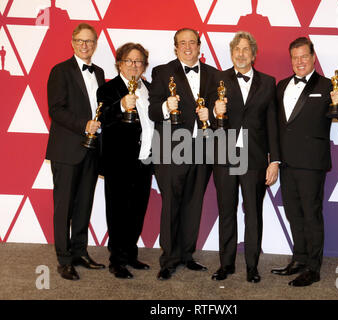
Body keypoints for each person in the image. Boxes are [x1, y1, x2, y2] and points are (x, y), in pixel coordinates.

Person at [271, 37, 338, 286]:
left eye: (304, 56)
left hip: (311, 163)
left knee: (311, 215)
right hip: (286, 162)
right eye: (295, 57)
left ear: (313, 57)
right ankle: (299, 259)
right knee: (294, 214)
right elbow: (276, 124)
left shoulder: (328, 85)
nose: (299, 61)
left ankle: (313, 268)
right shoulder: (281, 85)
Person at [148, 28, 218, 280]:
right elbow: (153, 110)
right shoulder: (162, 72)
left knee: (193, 203)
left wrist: (211, 113)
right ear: (175, 47)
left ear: (200, 46)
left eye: (192, 42)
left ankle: (187, 255)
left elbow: (222, 111)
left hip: (202, 150)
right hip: (172, 150)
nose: (187, 47)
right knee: (171, 205)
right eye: (182, 43)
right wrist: (167, 106)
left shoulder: (214, 75)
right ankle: (168, 259)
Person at [211, 31, 280, 283]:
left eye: (245, 49)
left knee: (253, 213)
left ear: (253, 54)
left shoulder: (268, 82)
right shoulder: (217, 79)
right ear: (232, 53)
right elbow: (205, 116)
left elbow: (272, 123)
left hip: (255, 158)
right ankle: (226, 264)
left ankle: (252, 266)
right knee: (226, 211)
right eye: (236, 50)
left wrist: (275, 160)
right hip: (224, 156)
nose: (240, 54)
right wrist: (212, 111)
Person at [46, 23, 106, 280]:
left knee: (84, 204)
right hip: (67, 150)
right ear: (72, 42)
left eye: (90, 41)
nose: (85, 45)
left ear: (95, 44)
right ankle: (64, 259)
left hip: (92, 151)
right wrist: (84, 125)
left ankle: (80, 252)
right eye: (80, 41)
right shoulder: (60, 71)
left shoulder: (101, 72)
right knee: (64, 208)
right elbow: (56, 109)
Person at [96, 43, 154, 279]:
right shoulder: (108, 90)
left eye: (139, 61)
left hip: (145, 159)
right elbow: (103, 118)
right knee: (118, 211)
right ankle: (116, 260)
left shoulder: (149, 88)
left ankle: (130, 254)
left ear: (144, 65)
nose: (134, 65)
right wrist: (121, 105)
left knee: (138, 210)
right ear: (119, 63)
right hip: (119, 161)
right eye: (129, 60)